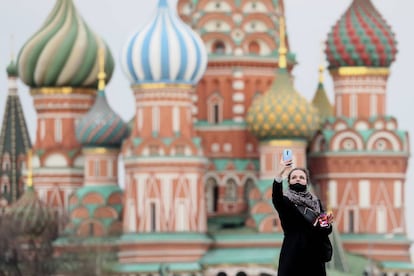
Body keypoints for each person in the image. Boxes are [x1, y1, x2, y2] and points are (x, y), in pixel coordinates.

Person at [272, 159, 333, 276]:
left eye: (301, 177)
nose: (298, 179)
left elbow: (324, 230)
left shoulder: (316, 203)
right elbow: (276, 198)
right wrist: (279, 174)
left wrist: (328, 223)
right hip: (294, 255)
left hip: (315, 258)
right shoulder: (286, 202)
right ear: (289, 182)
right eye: (294, 177)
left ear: (306, 182)